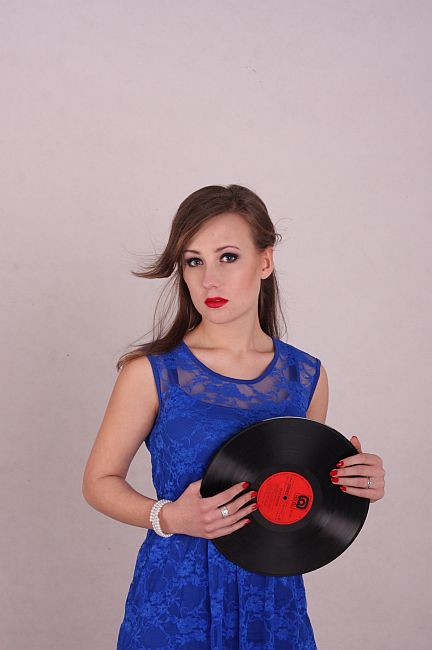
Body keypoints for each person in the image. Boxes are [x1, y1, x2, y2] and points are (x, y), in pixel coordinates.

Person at [82, 184, 386, 649]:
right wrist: (168, 517)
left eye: (227, 257)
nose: (209, 280)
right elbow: (98, 482)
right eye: (193, 261)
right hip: (176, 604)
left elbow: (303, 495)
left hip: (274, 608)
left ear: (265, 261)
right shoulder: (152, 372)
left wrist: (356, 484)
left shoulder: (305, 376)